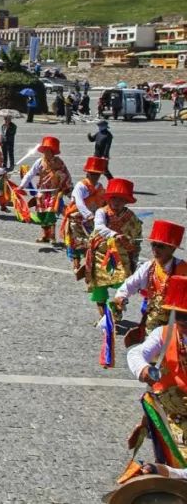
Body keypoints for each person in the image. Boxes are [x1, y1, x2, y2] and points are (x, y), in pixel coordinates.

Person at [126, 275, 187, 448]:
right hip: (170, 411)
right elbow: (136, 353)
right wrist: (143, 368)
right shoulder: (164, 334)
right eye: (178, 315)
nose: (182, 321)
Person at [114, 220, 187, 335]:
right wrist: (121, 296)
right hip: (154, 320)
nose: (155, 249)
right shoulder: (149, 266)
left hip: (179, 321)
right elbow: (130, 284)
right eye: (153, 244)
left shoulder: (183, 269)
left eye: (161, 246)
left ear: (172, 248)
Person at [84, 178, 141, 323]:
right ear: (108, 198)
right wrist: (115, 235)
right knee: (100, 288)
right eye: (114, 198)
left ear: (126, 201)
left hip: (122, 257)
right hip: (101, 255)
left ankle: (116, 311)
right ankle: (104, 318)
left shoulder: (131, 217)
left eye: (121, 199)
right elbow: (99, 227)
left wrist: (132, 247)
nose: (116, 202)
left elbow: (137, 237)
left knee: (123, 287)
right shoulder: (101, 212)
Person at [18, 136, 72, 244]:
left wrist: (69, 190)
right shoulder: (39, 162)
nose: (46, 153)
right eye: (44, 150)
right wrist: (22, 185)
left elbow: (66, 176)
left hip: (54, 193)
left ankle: (52, 237)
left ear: (52, 151)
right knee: (41, 215)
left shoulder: (59, 163)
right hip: (42, 193)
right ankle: (45, 236)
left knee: (50, 214)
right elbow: (30, 174)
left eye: (48, 150)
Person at [61, 156, 108, 274]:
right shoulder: (81, 186)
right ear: (87, 173)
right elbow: (79, 202)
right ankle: (76, 265)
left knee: (93, 242)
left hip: (92, 220)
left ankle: (91, 264)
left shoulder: (100, 188)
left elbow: (104, 203)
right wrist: (88, 215)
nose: (94, 176)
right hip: (77, 219)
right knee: (76, 242)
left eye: (97, 174)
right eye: (92, 173)